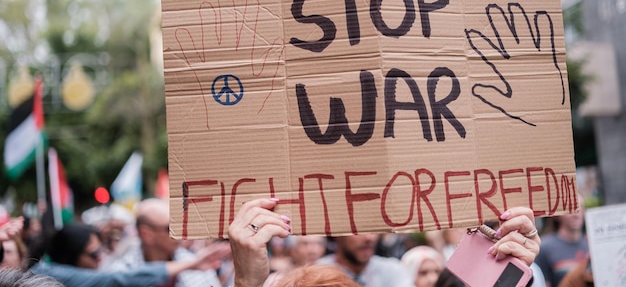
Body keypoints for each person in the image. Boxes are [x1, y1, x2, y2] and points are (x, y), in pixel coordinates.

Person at [227, 198, 542, 287]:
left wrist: (503, 272)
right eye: (356, 228)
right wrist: (246, 283)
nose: (366, 236)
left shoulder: (392, 273)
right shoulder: (308, 277)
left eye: (371, 227)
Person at [30, 220, 229, 287]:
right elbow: (119, 280)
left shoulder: (192, 262)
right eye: (94, 253)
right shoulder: (49, 275)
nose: (102, 256)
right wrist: (194, 263)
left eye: (102, 249)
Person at [103, 197, 228, 287]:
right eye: (170, 228)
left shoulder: (199, 265)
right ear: (146, 234)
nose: (179, 234)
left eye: (179, 226)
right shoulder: (120, 272)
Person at [535, 195, 588, 287]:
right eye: (571, 209)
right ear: (558, 215)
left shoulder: (590, 245)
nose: (576, 214)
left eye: (580, 208)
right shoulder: (544, 247)